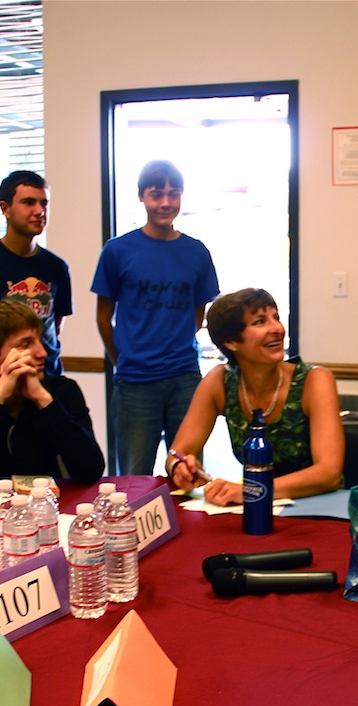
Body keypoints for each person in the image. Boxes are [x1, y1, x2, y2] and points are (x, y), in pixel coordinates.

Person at [91, 160, 220, 475]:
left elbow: (199, 311)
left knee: (189, 474)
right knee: (135, 478)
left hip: (185, 378)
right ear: (141, 197)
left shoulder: (197, 252)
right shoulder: (118, 250)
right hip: (135, 382)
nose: (165, 202)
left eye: (172, 194)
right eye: (155, 194)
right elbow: (103, 315)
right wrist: (120, 359)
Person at [167, 289, 344, 506]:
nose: (278, 329)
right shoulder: (219, 380)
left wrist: (252, 490)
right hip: (257, 509)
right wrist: (179, 467)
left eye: (276, 318)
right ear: (231, 341)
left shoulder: (315, 380)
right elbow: (178, 452)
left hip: (320, 509)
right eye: (260, 322)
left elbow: (329, 473)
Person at [0, 300, 104, 492]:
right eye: (26, 344)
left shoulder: (63, 390)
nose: (42, 352)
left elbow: (90, 470)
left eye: (39, 340)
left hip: (47, 510)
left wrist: (43, 399)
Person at [0, 170, 73, 376]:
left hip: (50, 379)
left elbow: (56, 326)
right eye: (28, 202)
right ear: (5, 208)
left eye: (44, 203)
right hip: (2, 384)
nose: (39, 211)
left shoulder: (57, 267)